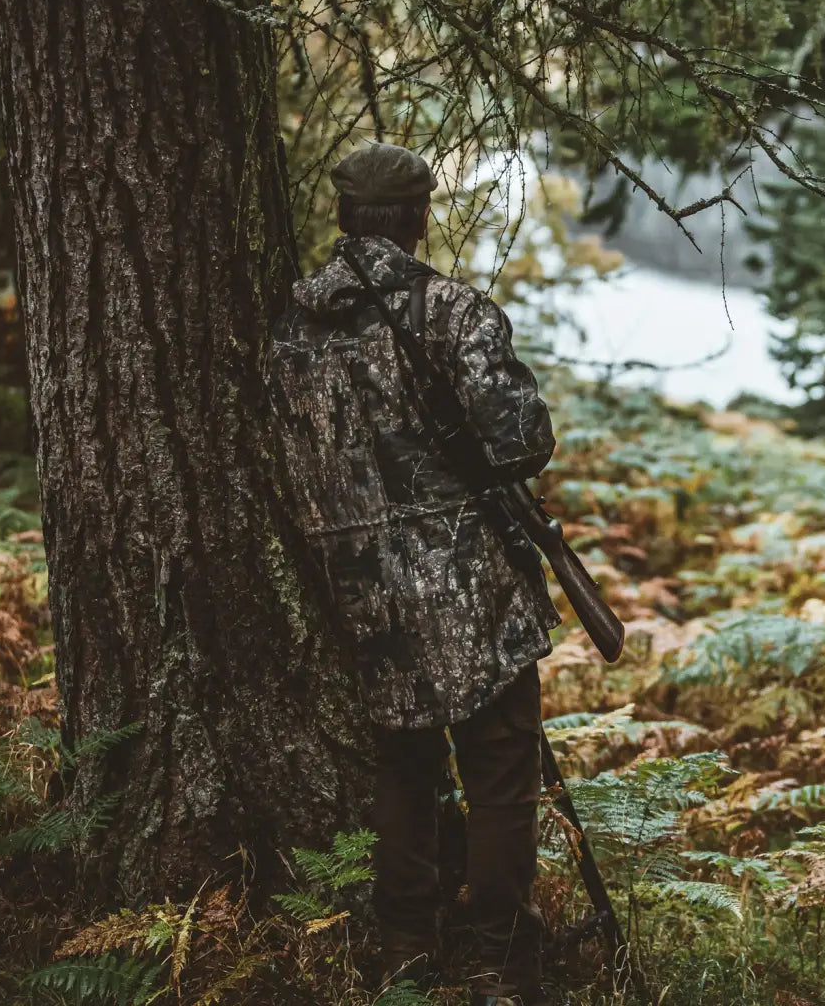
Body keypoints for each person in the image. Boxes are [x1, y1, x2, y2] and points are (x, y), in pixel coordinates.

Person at [268, 142, 560, 1006]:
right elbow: (523, 442)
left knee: (403, 762)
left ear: (343, 219)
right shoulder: (453, 313)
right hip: (468, 582)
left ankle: (403, 946)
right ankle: (499, 955)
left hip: (359, 588)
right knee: (502, 765)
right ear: (420, 217)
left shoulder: (290, 326)